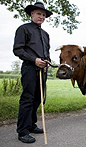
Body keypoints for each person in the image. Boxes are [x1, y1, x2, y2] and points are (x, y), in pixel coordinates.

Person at [13, 2, 53, 143]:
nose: (41, 17)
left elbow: (46, 53)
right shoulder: (23, 29)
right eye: (38, 14)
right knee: (27, 99)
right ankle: (22, 131)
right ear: (32, 14)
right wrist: (34, 60)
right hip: (29, 68)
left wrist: (46, 62)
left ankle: (31, 125)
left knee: (38, 99)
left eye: (43, 15)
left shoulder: (45, 34)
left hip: (42, 70)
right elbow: (18, 49)